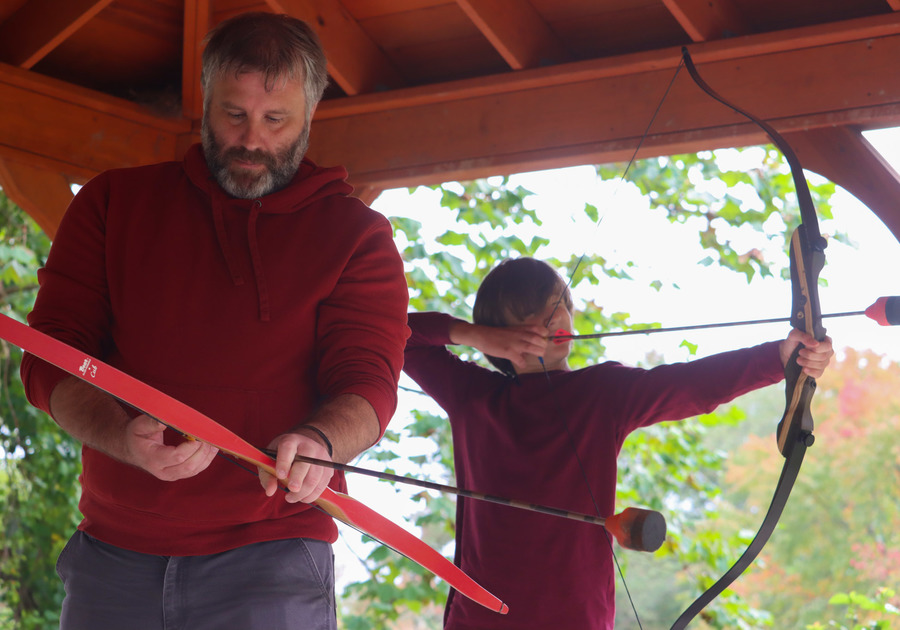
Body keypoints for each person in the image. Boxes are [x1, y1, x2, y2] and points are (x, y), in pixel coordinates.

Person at [19, 12, 409, 630]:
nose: (251, 140)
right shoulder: (112, 204)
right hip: (114, 556)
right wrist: (123, 438)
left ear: (309, 115)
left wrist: (322, 442)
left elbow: (368, 381)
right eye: (234, 114)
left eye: (274, 120)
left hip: (272, 558)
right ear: (204, 102)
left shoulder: (356, 235)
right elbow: (49, 358)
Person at [402, 257, 834, 630]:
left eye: (562, 306)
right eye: (538, 314)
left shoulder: (600, 391)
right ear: (500, 337)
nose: (559, 320)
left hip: (575, 618)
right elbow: (396, 333)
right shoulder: (475, 397)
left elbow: (689, 386)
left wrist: (779, 358)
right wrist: (474, 335)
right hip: (480, 618)